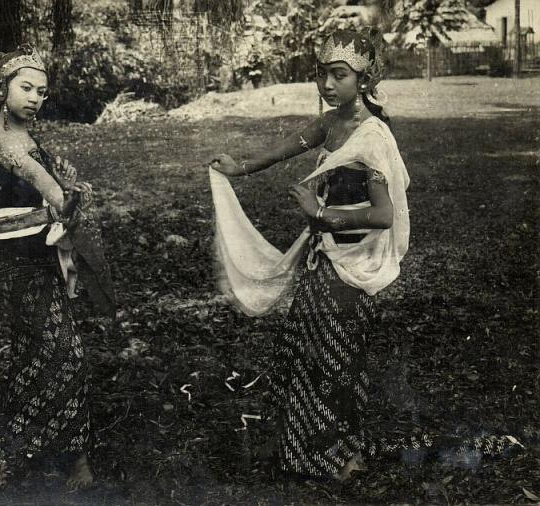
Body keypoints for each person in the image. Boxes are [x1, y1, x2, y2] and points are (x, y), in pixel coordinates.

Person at [209, 29, 519, 481]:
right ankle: (305, 451)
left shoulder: (371, 137)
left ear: (364, 78)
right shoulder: (331, 123)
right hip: (322, 262)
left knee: (336, 361)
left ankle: (341, 454)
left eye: (339, 75)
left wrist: (321, 212)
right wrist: (241, 167)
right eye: (322, 75)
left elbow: (383, 215)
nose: (327, 85)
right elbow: (289, 146)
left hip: (348, 270)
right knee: (306, 353)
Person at [0, 44, 112, 489]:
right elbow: (56, 198)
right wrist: (73, 194)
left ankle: (22, 451)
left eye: (42, 92)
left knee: (37, 353)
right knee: (63, 353)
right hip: (19, 266)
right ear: (2, 90)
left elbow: (49, 197)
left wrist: (64, 192)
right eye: (26, 87)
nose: (35, 97)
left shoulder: (25, 138)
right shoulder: (7, 142)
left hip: (34, 258)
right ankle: (73, 462)